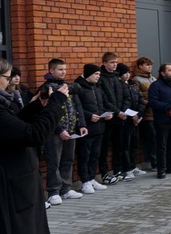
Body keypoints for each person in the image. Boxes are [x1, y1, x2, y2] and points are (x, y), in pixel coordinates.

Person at [0, 58, 70, 234]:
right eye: (7, 77)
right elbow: (33, 135)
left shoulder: (3, 104)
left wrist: (37, 106)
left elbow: (15, 126)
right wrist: (56, 103)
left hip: (15, 191)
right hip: (8, 197)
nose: (11, 83)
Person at [37, 58, 87, 205]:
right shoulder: (46, 89)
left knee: (68, 160)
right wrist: (59, 130)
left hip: (71, 130)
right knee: (54, 162)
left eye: (65, 69)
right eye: (60, 69)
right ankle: (53, 191)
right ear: (51, 70)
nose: (63, 72)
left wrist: (81, 124)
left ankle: (66, 188)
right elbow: (45, 112)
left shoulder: (67, 87)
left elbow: (77, 107)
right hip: (54, 133)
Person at [76, 64, 112, 193]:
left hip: (99, 127)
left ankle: (91, 178)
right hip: (86, 128)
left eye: (99, 74)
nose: (98, 77)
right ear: (88, 74)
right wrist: (89, 116)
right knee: (84, 155)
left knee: (95, 155)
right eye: (96, 74)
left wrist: (107, 113)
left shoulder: (97, 87)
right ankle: (84, 181)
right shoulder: (79, 87)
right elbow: (76, 107)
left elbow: (103, 103)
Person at [147, 63, 171, 179]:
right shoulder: (156, 85)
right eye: (169, 70)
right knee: (162, 145)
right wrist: (168, 107)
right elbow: (152, 102)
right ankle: (161, 168)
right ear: (163, 73)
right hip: (162, 120)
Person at [98, 52, 130, 184]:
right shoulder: (101, 78)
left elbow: (126, 95)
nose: (115, 65)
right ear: (104, 63)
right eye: (112, 62)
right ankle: (104, 173)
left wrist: (123, 110)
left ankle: (118, 170)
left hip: (120, 117)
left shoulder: (117, 77)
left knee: (119, 145)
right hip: (109, 118)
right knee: (104, 148)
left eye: (116, 62)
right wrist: (117, 112)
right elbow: (104, 99)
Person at [116, 63, 146, 180]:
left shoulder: (133, 85)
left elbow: (140, 100)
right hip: (126, 120)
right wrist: (130, 115)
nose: (127, 75)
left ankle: (133, 166)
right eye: (125, 73)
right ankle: (127, 168)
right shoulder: (120, 86)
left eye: (128, 73)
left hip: (135, 119)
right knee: (125, 146)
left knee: (134, 144)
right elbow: (122, 103)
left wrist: (138, 114)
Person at [132, 56, 157, 171]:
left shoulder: (153, 79)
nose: (150, 67)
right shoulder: (136, 80)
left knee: (157, 138)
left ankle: (158, 160)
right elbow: (137, 96)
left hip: (155, 112)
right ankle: (152, 162)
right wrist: (149, 102)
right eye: (147, 65)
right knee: (150, 139)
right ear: (140, 66)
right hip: (146, 113)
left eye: (150, 65)